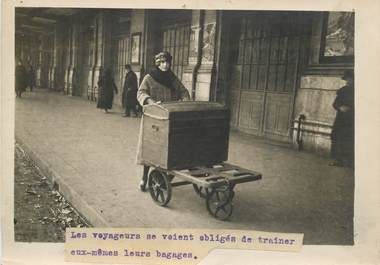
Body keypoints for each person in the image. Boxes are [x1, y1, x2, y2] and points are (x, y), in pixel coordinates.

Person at [136, 51, 190, 191]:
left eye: (168, 62)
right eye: (163, 62)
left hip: (169, 117)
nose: (166, 65)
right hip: (153, 118)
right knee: (150, 149)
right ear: (158, 63)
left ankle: (164, 177)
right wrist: (152, 102)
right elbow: (141, 93)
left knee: (169, 149)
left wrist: (184, 101)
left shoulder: (172, 78)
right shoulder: (149, 77)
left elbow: (184, 91)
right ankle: (144, 178)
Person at [329, 69, 354, 168]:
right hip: (341, 118)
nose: (348, 81)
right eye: (347, 79)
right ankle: (338, 160)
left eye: (350, 79)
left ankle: (349, 161)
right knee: (337, 137)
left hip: (352, 119)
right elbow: (335, 104)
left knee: (350, 138)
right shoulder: (343, 90)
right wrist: (340, 107)